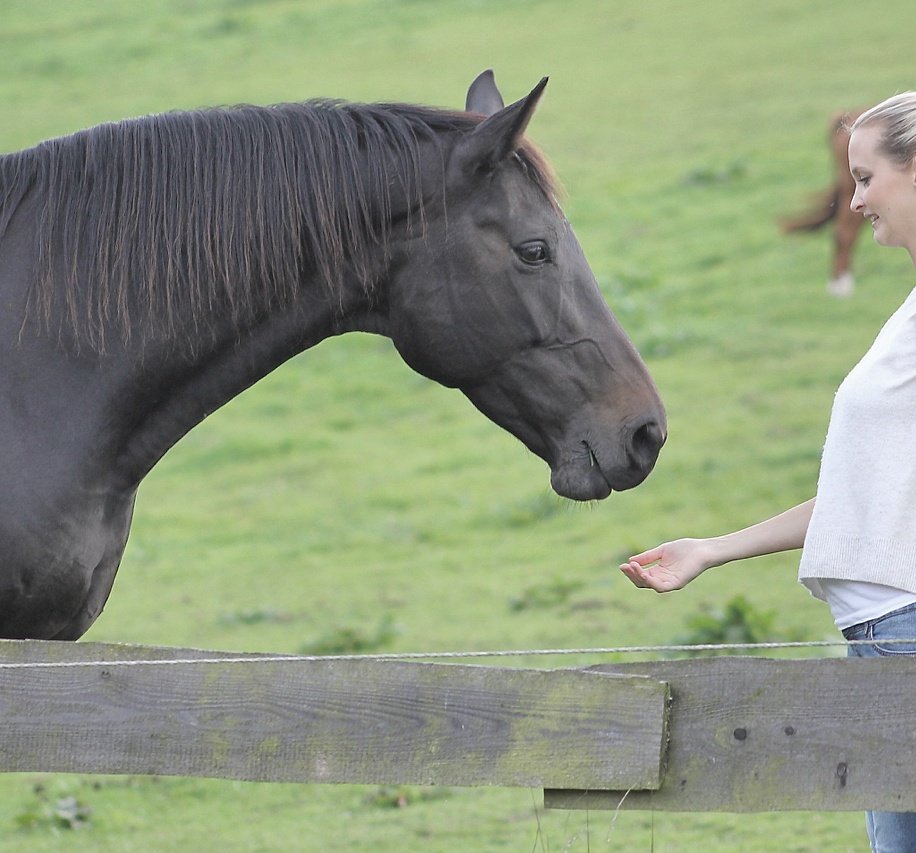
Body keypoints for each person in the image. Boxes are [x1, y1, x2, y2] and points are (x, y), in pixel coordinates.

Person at [620, 92, 916, 853]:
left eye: (865, 176)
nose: (852, 200)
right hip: (886, 637)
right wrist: (712, 548)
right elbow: (864, 498)